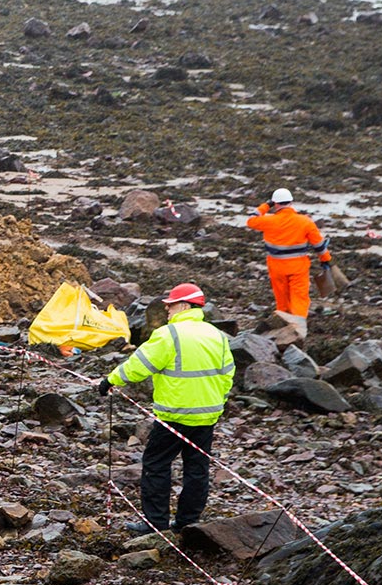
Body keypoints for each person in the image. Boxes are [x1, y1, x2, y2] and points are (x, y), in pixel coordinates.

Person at [99, 281, 236, 535]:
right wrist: (217, 400)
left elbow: (138, 366)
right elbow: (228, 374)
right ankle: (188, 522)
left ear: (184, 306)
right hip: (207, 416)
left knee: (156, 465)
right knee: (197, 469)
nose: (168, 311)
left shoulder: (169, 334)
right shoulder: (217, 335)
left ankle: (155, 524)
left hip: (174, 415)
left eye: (171, 306)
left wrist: (110, 380)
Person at [246, 188, 331, 326]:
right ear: (291, 202)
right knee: (299, 299)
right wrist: (325, 260)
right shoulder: (305, 222)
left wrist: (266, 205)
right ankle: (298, 329)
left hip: (277, 268)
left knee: (282, 300)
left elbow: (251, 219)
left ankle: (284, 325)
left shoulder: (268, 221)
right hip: (298, 268)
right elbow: (319, 245)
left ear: (276, 204)